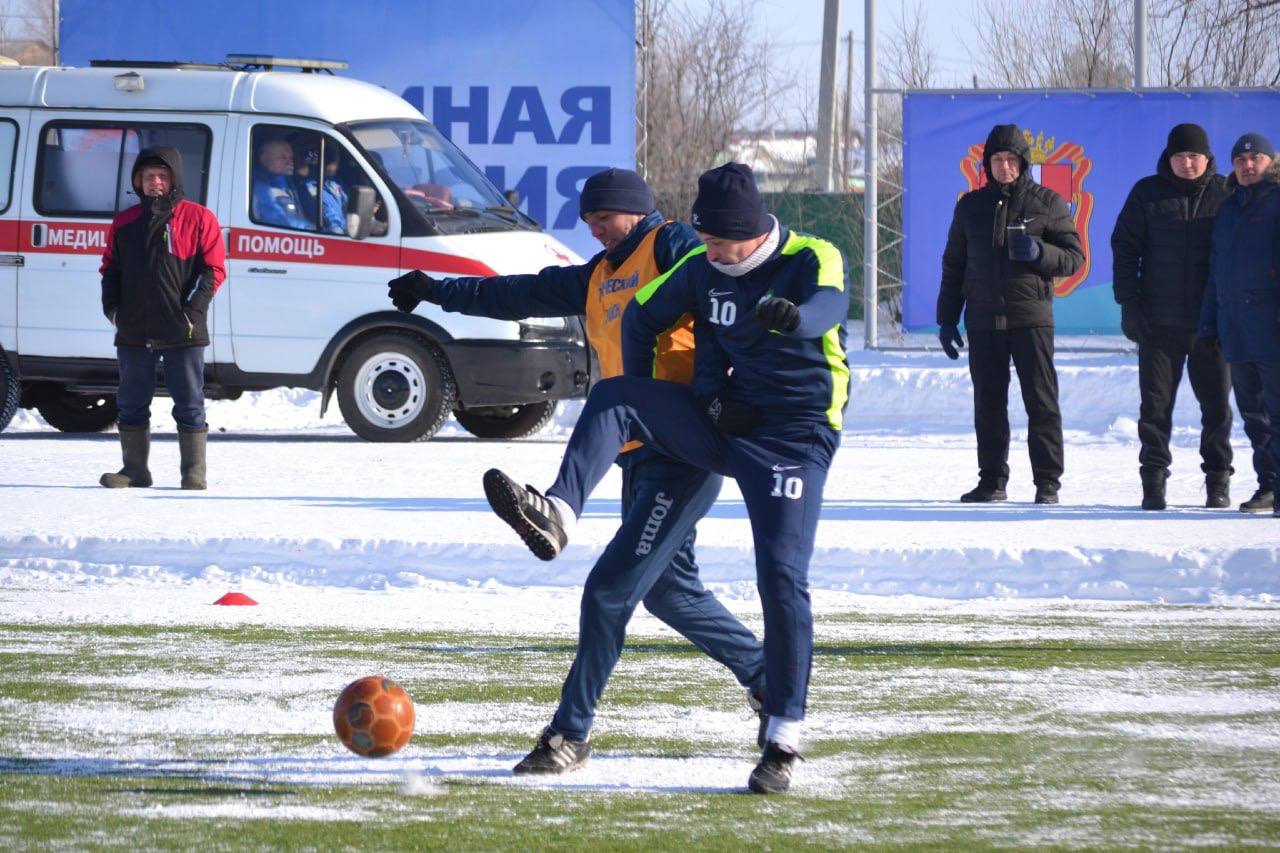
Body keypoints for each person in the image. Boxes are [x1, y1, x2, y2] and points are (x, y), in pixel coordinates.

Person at [478, 163, 851, 795]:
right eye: (706, 239)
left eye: (722, 241)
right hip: (714, 429)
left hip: (793, 440)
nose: (711, 251)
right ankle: (560, 513)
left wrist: (795, 318)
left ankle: (782, 739)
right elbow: (644, 319)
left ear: (752, 230)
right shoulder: (700, 267)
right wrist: (698, 397)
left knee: (777, 578)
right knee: (618, 399)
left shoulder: (809, 254)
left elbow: (831, 306)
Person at [385, 167, 767, 775]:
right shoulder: (597, 276)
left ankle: (569, 734)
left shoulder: (669, 245)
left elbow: (724, 283)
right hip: (639, 453)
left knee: (609, 591)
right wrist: (435, 290)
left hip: (685, 448)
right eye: (587, 220)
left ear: (635, 211)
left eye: (603, 218)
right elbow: (512, 293)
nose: (594, 229)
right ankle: (768, 676)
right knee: (670, 591)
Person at [936, 124, 1084, 505]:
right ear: (987, 164)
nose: (1005, 166)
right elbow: (954, 264)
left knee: (1041, 402)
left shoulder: (1048, 202)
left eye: (1012, 159)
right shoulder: (969, 206)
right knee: (988, 403)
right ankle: (992, 481)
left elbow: (1074, 258)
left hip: (1030, 318)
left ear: (1023, 162)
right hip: (983, 321)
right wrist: (946, 317)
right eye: (998, 159)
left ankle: (1047, 483)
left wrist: (1039, 253)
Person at [1110, 123, 1234, 511]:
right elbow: (1125, 248)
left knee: (1216, 408)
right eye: (1180, 156)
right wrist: (1129, 304)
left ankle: (1217, 481)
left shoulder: (1226, 193)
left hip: (1210, 325)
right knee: (1155, 408)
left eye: (1194, 156)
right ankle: (1154, 482)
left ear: (1207, 158)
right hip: (1159, 323)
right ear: (1169, 158)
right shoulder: (1147, 193)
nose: (1187, 163)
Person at [99, 147, 225, 490]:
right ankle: (135, 470)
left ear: (174, 180)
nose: (156, 182)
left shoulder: (199, 218)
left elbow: (212, 271)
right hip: (134, 329)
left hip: (182, 328)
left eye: (163, 176)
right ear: (138, 181)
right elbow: (110, 270)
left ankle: (193, 474)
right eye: (149, 176)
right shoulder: (124, 223)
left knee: (189, 403)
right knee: (130, 402)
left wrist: (191, 313)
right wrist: (114, 311)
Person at [1200, 132, 1280, 518]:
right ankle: (1269, 484)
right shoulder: (1228, 209)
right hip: (1236, 328)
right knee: (1253, 414)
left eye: (1256, 159)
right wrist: (1208, 325)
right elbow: (1217, 272)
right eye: (1240, 161)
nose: (1248, 166)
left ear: (1270, 162)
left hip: (1271, 327)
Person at [251, 138, 310, 230]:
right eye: (283, 157)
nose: (290, 162)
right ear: (264, 159)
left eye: (291, 158)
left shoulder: (290, 183)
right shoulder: (260, 187)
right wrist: (309, 229)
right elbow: (279, 220)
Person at [300, 143, 348, 235]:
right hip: (332, 235)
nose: (336, 164)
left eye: (336, 160)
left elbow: (348, 205)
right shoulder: (310, 187)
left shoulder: (334, 184)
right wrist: (338, 232)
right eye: (332, 159)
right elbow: (328, 215)